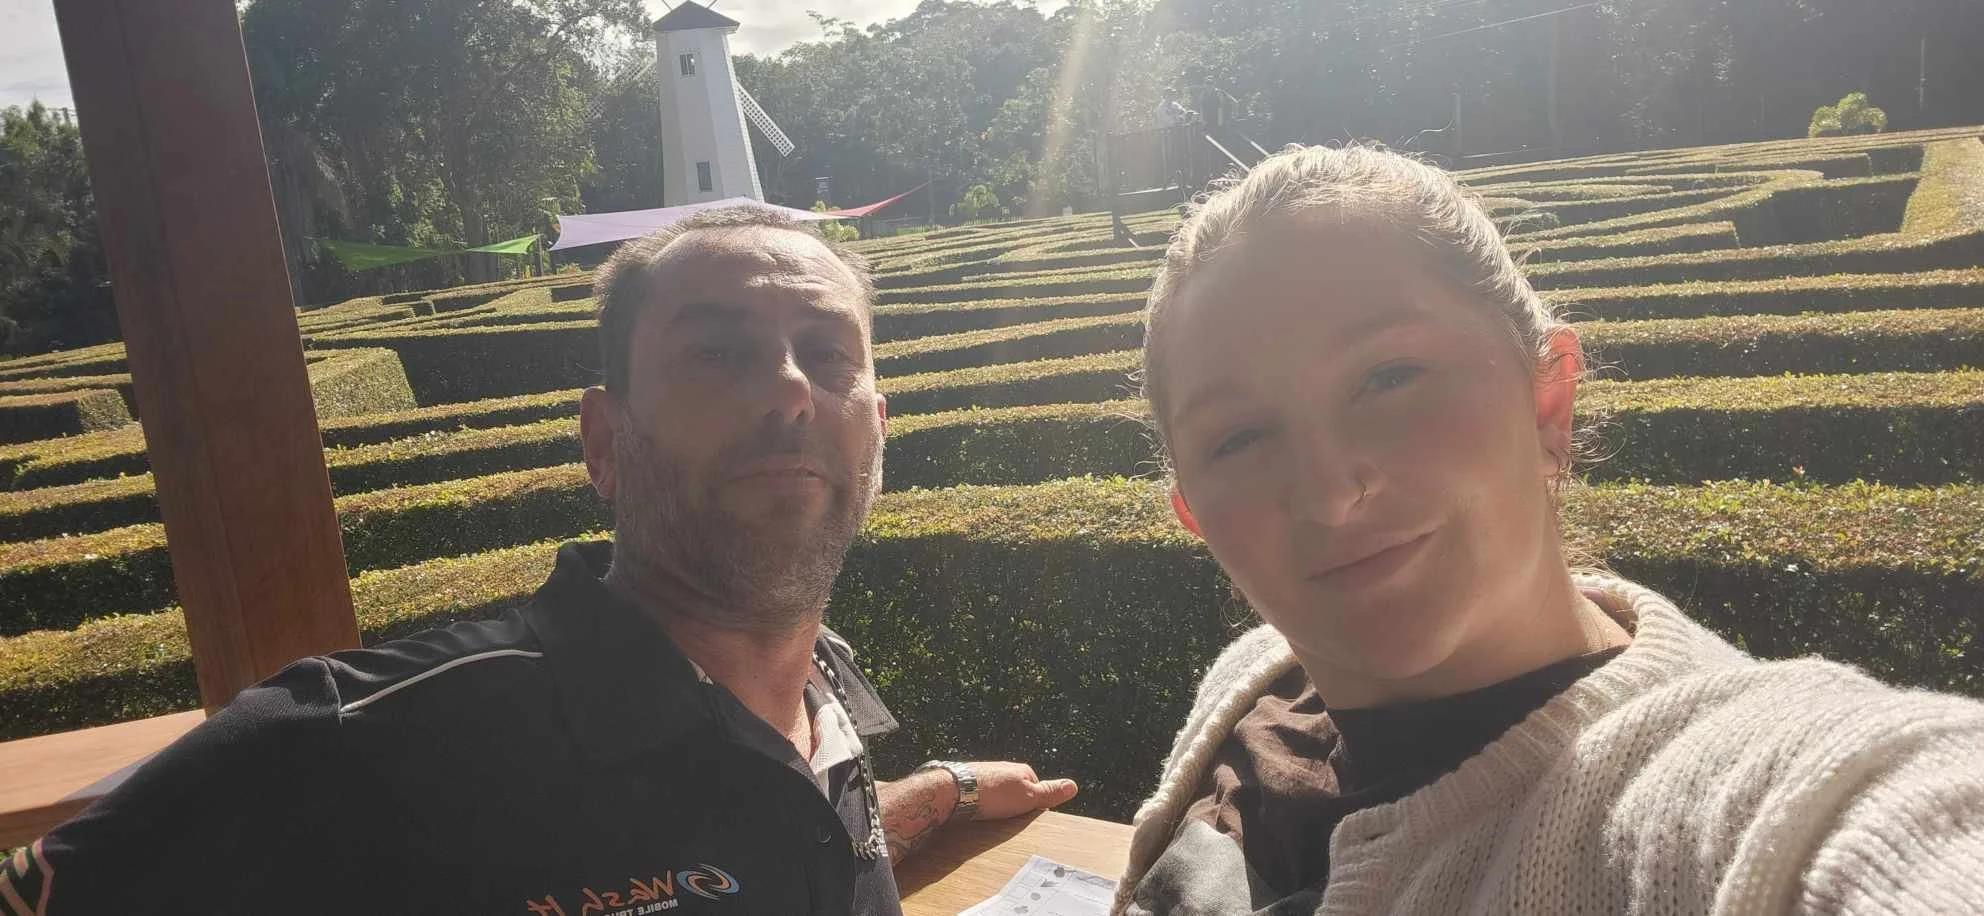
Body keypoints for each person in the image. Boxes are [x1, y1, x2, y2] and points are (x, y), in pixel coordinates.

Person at [8, 207, 1078, 915]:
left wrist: (932, 792)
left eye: (829, 352)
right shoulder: (359, 742)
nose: (790, 387)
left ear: (876, 428)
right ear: (604, 443)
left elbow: (734, 856)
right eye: (716, 351)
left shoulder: (822, 701)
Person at [1114, 145, 1984, 914]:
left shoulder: (1749, 791)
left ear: (1548, 399)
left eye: (1389, 377)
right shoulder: (1251, 676)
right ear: (1192, 510)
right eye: (1238, 437)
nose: (1330, 492)